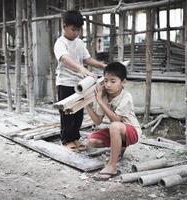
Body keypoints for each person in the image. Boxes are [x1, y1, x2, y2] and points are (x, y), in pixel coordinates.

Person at [54, 10, 106, 151]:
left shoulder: (79, 43)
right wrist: (81, 69)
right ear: (64, 26)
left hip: (80, 84)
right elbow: (64, 58)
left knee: (78, 114)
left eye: (78, 30)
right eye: (73, 29)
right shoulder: (60, 43)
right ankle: (66, 140)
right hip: (65, 83)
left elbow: (87, 59)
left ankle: (75, 138)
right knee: (67, 113)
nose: (76, 33)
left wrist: (101, 65)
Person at [86, 62, 142, 181]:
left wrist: (100, 101)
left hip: (132, 131)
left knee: (115, 125)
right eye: (105, 81)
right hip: (116, 130)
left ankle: (112, 167)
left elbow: (117, 119)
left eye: (113, 81)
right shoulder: (104, 96)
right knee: (91, 141)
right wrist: (87, 105)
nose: (108, 85)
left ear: (123, 82)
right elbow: (98, 121)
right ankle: (120, 147)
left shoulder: (126, 96)